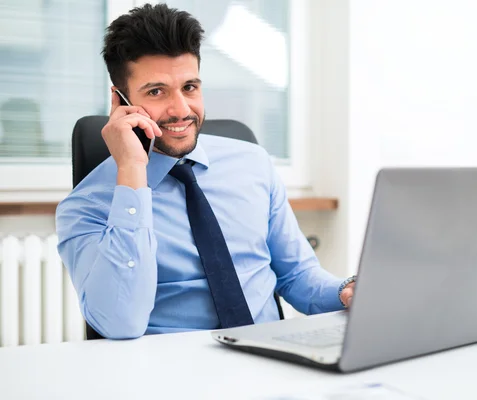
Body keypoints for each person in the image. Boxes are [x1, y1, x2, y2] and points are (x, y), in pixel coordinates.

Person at [56, 3, 356, 340]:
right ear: (120, 101)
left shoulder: (253, 163)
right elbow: (121, 324)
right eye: (156, 92)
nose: (181, 110)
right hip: (169, 375)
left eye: (189, 87)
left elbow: (295, 275)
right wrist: (131, 171)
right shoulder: (87, 205)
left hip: (273, 361)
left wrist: (345, 291)